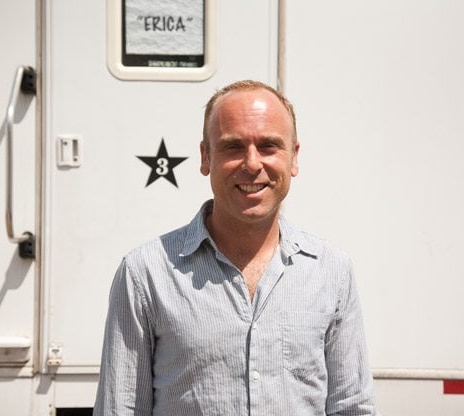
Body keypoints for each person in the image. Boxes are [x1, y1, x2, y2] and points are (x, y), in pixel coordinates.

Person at [93, 80, 377, 415]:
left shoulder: (331, 271)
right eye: (233, 147)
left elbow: (352, 407)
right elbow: (120, 408)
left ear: (294, 158)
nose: (252, 164)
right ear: (205, 157)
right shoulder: (145, 274)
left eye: (268, 146)